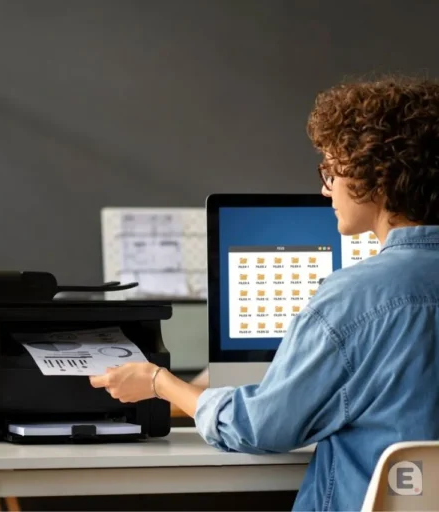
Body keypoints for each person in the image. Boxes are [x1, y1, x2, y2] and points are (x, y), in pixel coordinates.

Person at [90, 75, 439, 511]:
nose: (325, 188)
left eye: (331, 170)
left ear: (378, 176)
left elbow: (261, 427)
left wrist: (161, 383)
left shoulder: (352, 299)